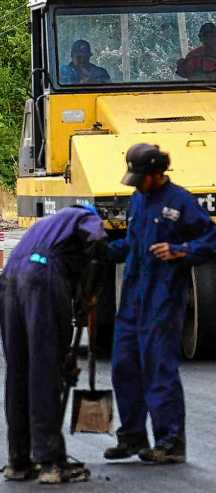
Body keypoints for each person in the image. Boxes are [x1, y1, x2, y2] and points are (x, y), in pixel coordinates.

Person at [104, 143, 216, 464]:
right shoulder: (138, 200)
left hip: (163, 299)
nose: (137, 183)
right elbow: (132, 244)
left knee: (158, 368)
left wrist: (180, 250)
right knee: (124, 366)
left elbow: (210, 239)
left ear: (157, 173)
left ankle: (170, 442)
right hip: (133, 300)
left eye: (142, 177)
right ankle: (132, 436)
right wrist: (102, 249)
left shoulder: (180, 201)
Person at [0, 205, 106, 485]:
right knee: (44, 371)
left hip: (9, 280)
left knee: (18, 371)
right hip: (40, 277)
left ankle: (18, 461)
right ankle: (51, 463)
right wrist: (91, 293)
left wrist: (65, 356)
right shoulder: (86, 217)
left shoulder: (45, 226)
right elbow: (96, 241)